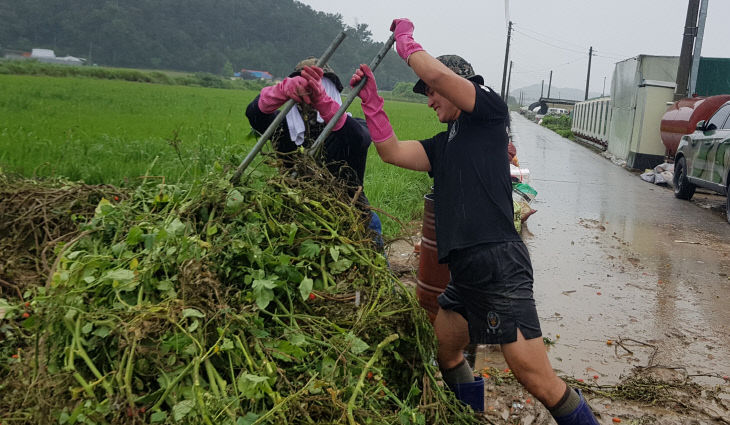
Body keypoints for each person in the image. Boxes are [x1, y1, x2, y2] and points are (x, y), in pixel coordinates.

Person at [348, 18, 599, 424]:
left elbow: (436, 73)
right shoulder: (442, 144)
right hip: (464, 274)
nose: (429, 100)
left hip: (499, 266)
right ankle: (471, 417)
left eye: (432, 92)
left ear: (453, 86)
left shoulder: (488, 114)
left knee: (537, 379)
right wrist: (372, 104)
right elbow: (392, 152)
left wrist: (408, 42)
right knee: (447, 351)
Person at [245, 58, 382, 241]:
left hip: (350, 215)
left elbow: (360, 138)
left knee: (372, 236)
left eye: (319, 90)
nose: (309, 106)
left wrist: (322, 102)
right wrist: (281, 90)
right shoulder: (284, 128)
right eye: (305, 94)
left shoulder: (353, 127)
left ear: (330, 93)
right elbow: (255, 114)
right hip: (295, 216)